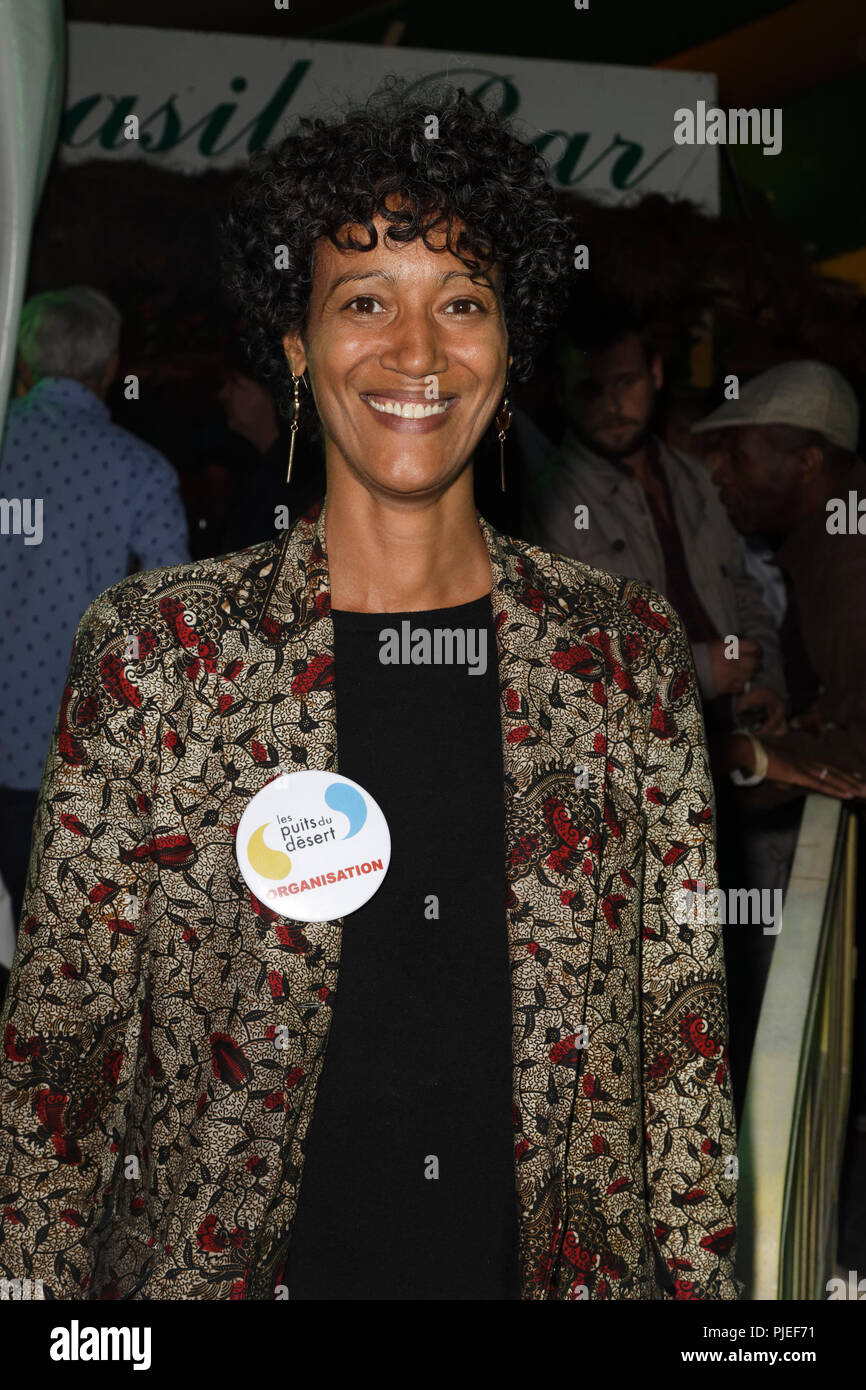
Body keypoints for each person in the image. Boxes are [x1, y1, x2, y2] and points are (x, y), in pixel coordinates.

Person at [0, 82, 741, 1301]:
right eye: (363, 302)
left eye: (460, 302)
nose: (414, 352)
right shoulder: (160, 655)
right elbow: (60, 1059)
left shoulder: (620, 656)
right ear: (297, 352)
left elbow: (684, 1040)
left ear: (509, 348)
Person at [0, 286, 190, 941]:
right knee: (68, 943)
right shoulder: (139, 469)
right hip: (73, 745)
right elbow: (173, 613)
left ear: (23, 362)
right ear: (111, 366)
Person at [523, 308, 787, 735]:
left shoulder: (697, 479)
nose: (612, 405)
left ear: (656, 374)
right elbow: (561, 658)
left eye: (627, 382)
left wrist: (764, 683)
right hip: (641, 753)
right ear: (562, 394)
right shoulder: (550, 503)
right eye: (591, 389)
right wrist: (699, 670)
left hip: (733, 732)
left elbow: (744, 592)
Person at [693, 360, 866, 800]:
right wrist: (829, 712)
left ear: (807, 463)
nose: (719, 473)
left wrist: (745, 755)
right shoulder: (835, 532)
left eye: (735, 455)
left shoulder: (850, 563)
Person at [217, 345, 325, 553]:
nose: (224, 394)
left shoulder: (295, 485)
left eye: (235, 384)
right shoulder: (255, 470)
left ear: (267, 394)